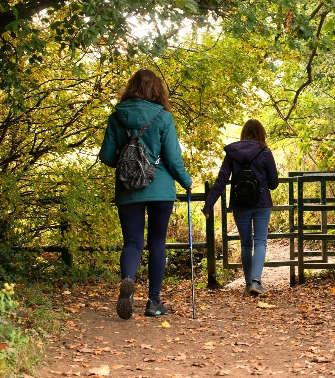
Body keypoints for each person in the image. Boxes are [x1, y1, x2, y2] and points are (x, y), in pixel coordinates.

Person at [99, 69, 192, 319]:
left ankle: (128, 285)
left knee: (133, 243)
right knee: (157, 243)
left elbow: (106, 156)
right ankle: (153, 302)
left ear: (131, 87)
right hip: (160, 188)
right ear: (157, 90)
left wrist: (127, 163)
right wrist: (186, 181)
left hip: (128, 189)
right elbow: (172, 158)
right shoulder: (163, 117)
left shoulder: (116, 117)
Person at [202, 119, 278, 295]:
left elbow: (221, 181)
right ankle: (256, 282)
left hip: (240, 204)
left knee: (246, 244)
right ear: (261, 133)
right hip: (262, 204)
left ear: (244, 133)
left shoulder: (232, 153)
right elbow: (273, 184)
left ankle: (247, 283)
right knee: (260, 242)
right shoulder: (265, 153)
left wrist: (208, 205)